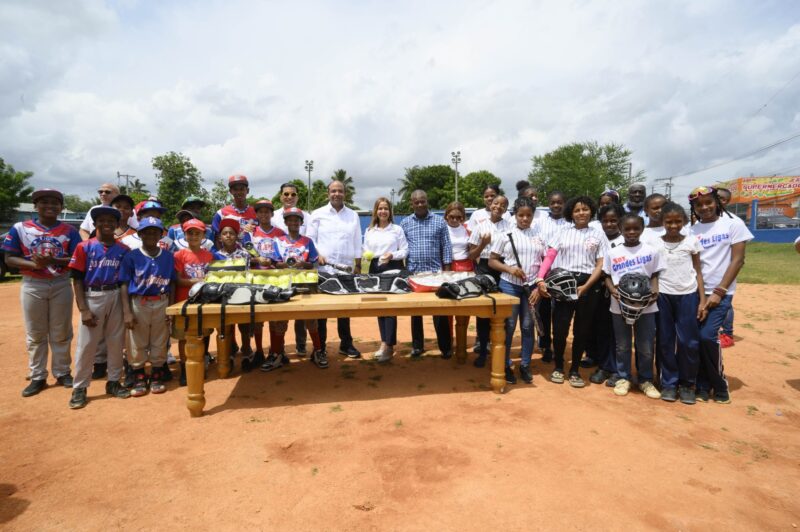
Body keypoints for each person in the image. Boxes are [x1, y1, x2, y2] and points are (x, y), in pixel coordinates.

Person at [4, 189, 81, 397]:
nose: (50, 206)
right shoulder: (20, 228)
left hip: (60, 282)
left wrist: (53, 261)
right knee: (35, 332)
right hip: (33, 283)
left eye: (55, 203)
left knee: (61, 331)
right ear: (35, 206)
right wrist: (33, 264)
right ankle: (38, 375)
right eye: (44, 202)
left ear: (61, 207)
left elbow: (76, 259)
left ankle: (63, 372)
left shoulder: (68, 230)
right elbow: (9, 258)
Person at [689, 186, 753, 403]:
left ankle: (719, 384)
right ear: (694, 207)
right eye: (699, 204)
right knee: (696, 339)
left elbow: (738, 260)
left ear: (717, 202)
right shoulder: (693, 230)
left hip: (720, 292)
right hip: (697, 292)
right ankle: (702, 385)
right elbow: (695, 265)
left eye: (708, 202)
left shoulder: (733, 224)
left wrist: (719, 291)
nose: (704, 207)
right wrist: (701, 295)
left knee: (708, 337)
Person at [67, 207, 131, 409]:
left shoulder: (123, 250)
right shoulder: (84, 247)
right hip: (92, 294)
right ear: (94, 224)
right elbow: (76, 279)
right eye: (102, 220)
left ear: (117, 224)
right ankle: (80, 386)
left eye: (111, 221)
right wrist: (83, 309)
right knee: (87, 344)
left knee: (115, 342)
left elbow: (124, 281)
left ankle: (113, 382)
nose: (107, 224)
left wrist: (126, 308)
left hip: (116, 295)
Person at [540, 195, 606, 388]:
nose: (581, 213)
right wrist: (540, 277)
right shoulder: (562, 231)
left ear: (591, 211)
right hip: (564, 282)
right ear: (571, 213)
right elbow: (550, 255)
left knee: (582, 329)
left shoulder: (598, 233)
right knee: (560, 328)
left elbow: (601, 263)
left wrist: (586, 286)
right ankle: (559, 366)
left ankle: (575, 369)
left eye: (585, 209)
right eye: (577, 210)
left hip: (589, 283)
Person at [489, 197, 552, 384]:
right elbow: (492, 260)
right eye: (521, 215)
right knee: (508, 326)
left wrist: (539, 286)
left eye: (528, 215)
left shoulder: (539, 236)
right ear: (514, 215)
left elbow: (546, 263)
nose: (525, 219)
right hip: (509, 284)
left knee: (527, 326)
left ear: (533, 216)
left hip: (532, 287)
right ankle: (507, 364)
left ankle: (525, 364)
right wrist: (510, 269)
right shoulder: (505, 234)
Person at [603, 213, 664, 399]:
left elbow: (654, 274)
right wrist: (612, 288)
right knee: (622, 345)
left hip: (646, 306)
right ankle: (624, 377)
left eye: (635, 228)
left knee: (645, 345)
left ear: (642, 229)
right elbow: (606, 275)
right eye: (627, 229)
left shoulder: (651, 251)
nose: (631, 232)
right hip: (619, 304)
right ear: (620, 230)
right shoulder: (613, 252)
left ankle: (645, 379)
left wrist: (655, 289)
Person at [262, 208, 327, 369]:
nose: (293, 222)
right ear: (285, 222)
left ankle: (318, 351)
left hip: (304, 284)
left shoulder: (307, 241)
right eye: (290, 220)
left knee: (311, 319)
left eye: (296, 220)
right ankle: (277, 353)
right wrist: (283, 264)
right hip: (283, 284)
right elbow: (275, 262)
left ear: (301, 222)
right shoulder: (278, 240)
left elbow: (312, 262)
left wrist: (302, 264)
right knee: (280, 320)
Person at [655, 202, 705, 405]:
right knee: (665, 340)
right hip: (663, 296)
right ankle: (668, 382)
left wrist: (702, 300)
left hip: (688, 294)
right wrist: (655, 291)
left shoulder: (691, 242)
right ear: (662, 222)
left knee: (688, 341)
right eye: (669, 222)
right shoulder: (656, 243)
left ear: (684, 221)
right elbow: (653, 271)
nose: (673, 225)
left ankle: (687, 384)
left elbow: (698, 271)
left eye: (677, 221)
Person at [119, 216, 176, 397]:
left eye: (155, 232)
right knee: (137, 340)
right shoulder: (132, 256)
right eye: (146, 232)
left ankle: (157, 374)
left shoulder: (168, 256)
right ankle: (139, 375)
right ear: (140, 234)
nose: (151, 235)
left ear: (161, 234)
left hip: (162, 300)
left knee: (160, 339)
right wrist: (127, 312)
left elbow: (173, 283)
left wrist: (171, 307)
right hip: (139, 302)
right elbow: (124, 284)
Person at [307, 180, 363, 358]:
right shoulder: (317, 214)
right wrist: (317, 255)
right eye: (333, 191)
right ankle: (320, 346)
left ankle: (346, 344)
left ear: (344, 194)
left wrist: (358, 264)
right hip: (324, 271)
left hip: (345, 270)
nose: (337, 194)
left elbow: (357, 241)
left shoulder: (353, 215)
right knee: (321, 311)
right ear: (328, 193)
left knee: (344, 310)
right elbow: (309, 240)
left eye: (340, 191)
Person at [401, 189, 453, 358]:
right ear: (412, 203)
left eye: (423, 201)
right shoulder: (405, 223)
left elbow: (446, 247)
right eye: (416, 202)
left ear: (427, 201)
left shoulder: (439, 222)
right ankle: (417, 346)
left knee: (439, 312)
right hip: (414, 274)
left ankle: (445, 347)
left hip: (436, 274)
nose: (420, 204)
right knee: (416, 313)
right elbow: (402, 248)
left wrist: (446, 273)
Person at [173, 219, 218, 386]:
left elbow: (212, 277)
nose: (193, 236)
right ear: (185, 235)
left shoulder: (209, 255)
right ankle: (185, 369)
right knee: (184, 337)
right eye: (190, 233)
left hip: (203, 300)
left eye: (197, 233)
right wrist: (198, 281)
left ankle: (201, 364)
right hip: (184, 300)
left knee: (203, 333)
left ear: (203, 235)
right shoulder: (179, 254)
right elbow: (177, 280)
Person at [362, 197, 408, 363]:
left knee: (389, 309)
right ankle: (384, 342)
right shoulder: (369, 231)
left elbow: (404, 251)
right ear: (376, 211)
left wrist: (392, 255)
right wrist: (364, 269)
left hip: (392, 268)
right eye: (380, 208)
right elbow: (365, 251)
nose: (383, 211)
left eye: (386, 208)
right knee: (380, 307)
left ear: (390, 212)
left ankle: (388, 346)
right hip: (375, 269)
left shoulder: (397, 229)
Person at [467, 195, 510, 366]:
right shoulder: (480, 226)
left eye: (502, 205)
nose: (498, 206)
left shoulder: (510, 226)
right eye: (495, 203)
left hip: (503, 267)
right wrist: (483, 244)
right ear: (490, 205)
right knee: (484, 313)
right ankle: (483, 351)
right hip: (484, 268)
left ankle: (500, 353)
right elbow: (471, 255)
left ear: (506, 209)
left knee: (502, 313)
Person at [587, 203, 625, 386]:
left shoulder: (626, 239)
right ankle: (603, 365)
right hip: (599, 290)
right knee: (601, 329)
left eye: (613, 221)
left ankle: (618, 368)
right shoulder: (596, 239)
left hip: (619, 292)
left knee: (618, 333)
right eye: (605, 221)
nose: (609, 224)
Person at [272, 183, 311, 355]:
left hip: (301, 276)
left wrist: (303, 262)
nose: (289, 197)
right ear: (281, 196)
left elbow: (309, 243)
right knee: (279, 313)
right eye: (286, 194)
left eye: (292, 194)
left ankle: (301, 344)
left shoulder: (307, 216)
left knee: (301, 314)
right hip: (280, 276)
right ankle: (278, 350)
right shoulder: (273, 217)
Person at [215, 216, 256, 370]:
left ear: (236, 235)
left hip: (241, 293)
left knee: (244, 325)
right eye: (225, 233)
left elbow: (247, 273)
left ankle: (246, 351)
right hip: (223, 295)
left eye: (232, 233)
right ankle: (230, 352)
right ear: (220, 237)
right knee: (228, 325)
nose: (228, 236)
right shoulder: (216, 255)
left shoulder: (245, 253)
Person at [535, 191, 569, 363]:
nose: (556, 205)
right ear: (548, 203)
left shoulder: (570, 222)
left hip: (564, 275)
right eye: (553, 202)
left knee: (560, 314)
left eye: (560, 202)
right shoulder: (540, 223)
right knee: (544, 312)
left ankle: (559, 346)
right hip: (545, 273)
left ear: (564, 203)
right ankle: (545, 345)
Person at [715, 186, 743, 348]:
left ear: (724, 201)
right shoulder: (703, 219)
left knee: (726, 303)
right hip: (706, 273)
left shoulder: (733, 221)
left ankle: (727, 333)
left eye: (717, 197)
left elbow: (738, 255)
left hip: (725, 272)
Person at [211, 175, 258, 243]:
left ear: (247, 191)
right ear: (230, 191)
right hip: (229, 253)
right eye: (235, 189)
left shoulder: (257, 213)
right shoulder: (221, 213)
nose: (239, 192)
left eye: (242, 189)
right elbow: (216, 238)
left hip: (252, 252)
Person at [445, 202, 474, 272]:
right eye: (452, 217)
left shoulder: (467, 229)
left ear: (462, 217)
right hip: (448, 266)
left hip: (466, 266)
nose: (455, 220)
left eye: (458, 217)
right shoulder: (442, 229)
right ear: (447, 216)